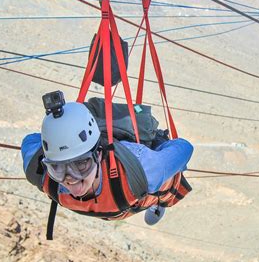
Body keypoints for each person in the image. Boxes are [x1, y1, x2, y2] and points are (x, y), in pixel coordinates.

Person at [21, 92, 193, 236]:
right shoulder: (37, 169)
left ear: (99, 153)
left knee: (166, 181)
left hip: (138, 194)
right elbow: (183, 147)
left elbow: (184, 148)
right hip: (121, 203)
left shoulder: (143, 167)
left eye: (81, 164)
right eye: (57, 167)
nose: (70, 179)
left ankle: (158, 203)